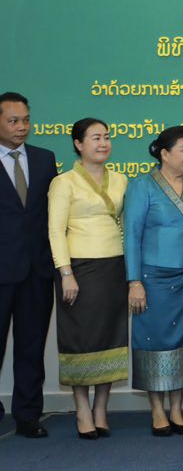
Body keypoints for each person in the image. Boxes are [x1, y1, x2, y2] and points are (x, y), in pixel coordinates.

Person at [123, 126, 183, 436]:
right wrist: (134, 281)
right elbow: (132, 236)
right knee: (155, 342)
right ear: (164, 154)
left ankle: (177, 410)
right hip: (153, 280)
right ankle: (157, 411)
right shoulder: (141, 186)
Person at [47, 118, 128, 439]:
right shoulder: (63, 182)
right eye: (95, 138)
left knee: (110, 336)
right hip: (78, 270)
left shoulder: (120, 180)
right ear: (78, 144)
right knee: (80, 339)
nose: (103, 143)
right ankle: (82, 408)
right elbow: (56, 231)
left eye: (106, 136)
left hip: (114, 268)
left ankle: (101, 408)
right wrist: (65, 272)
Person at [0, 92, 58, 438]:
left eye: (25, 120)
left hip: (37, 270)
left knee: (31, 346)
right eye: (13, 120)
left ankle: (28, 414)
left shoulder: (44, 159)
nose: (21, 127)